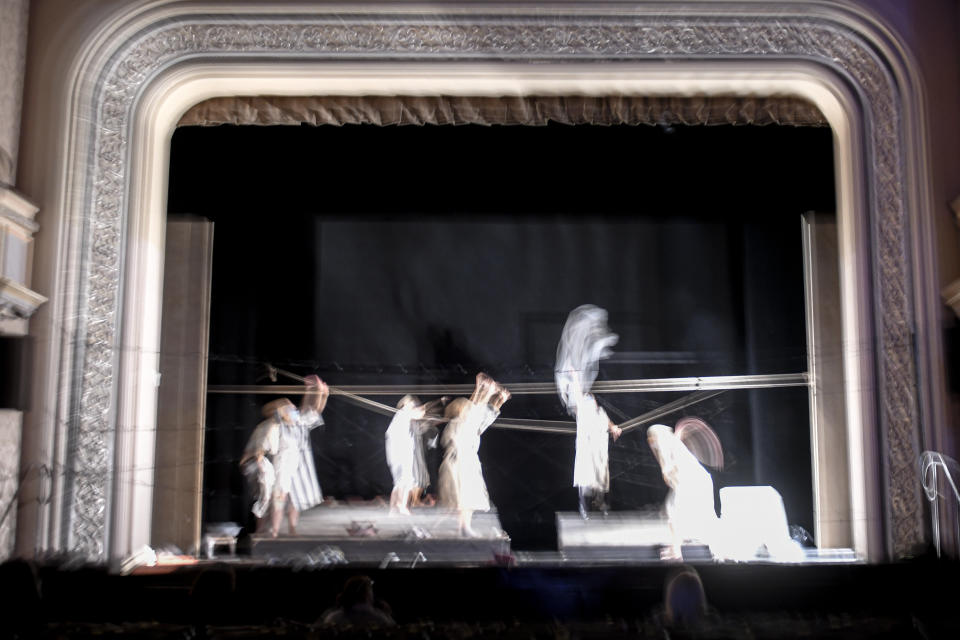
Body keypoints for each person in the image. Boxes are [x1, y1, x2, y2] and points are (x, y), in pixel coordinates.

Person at [239, 374, 328, 537]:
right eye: (289, 409)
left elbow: (313, 410)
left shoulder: (298, 422)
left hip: (297, 466)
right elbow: (260, 446)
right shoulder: (276, 425)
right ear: (281, 414)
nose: (294, 410)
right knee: (271, 500)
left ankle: (287, 529)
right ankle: (270, 530)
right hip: (279, 466)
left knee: (294, 500)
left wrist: (319, 391)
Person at [438, 373, 510, 537]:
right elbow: (474, 408)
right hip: (458, 463)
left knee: (467, 498)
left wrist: (499, 400)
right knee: (464, 497)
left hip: (466, 462)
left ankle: (464, 527)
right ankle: (462, 528)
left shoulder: (469, 423)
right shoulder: (459, 423)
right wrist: (482, 389)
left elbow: (484, 418)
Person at [647, 419, 722, 560]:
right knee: (703, 515)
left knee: (673, 514)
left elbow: (667, 468)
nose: (650, 442)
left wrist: (667, 475)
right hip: (701, 479)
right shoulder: (672, 442)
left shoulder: (663, 442)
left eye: (650, 439)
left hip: (692, 481)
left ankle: (676, 551)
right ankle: (717, 551)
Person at [573, 390, 621, 519]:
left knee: (602, 480)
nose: (591, 402)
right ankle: (584, 507)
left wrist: (614, 428)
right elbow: (576, 403)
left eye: (592, 399)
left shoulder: (600, 412)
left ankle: (604, 506)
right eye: (587, 400)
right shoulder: (582, 413)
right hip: (587, 452)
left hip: (600, 452)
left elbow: (608, 423)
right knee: (586, 479)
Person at [385, 395, 428, 515]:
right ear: (405, 405)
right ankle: (401, 505)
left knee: (400, 482)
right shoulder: (403, 414)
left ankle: (393, 510)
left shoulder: (402, 416)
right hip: (400, 454)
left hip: (400, 454)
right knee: (405, 481)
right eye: (412, 405)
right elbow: (417, 415)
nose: (413, 407)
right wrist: (423, 410)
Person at [320, 575, 396, 627]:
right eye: (370, 590)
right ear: (367, 594)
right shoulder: (379, 618)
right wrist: (387, 615)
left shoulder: (333, 617)